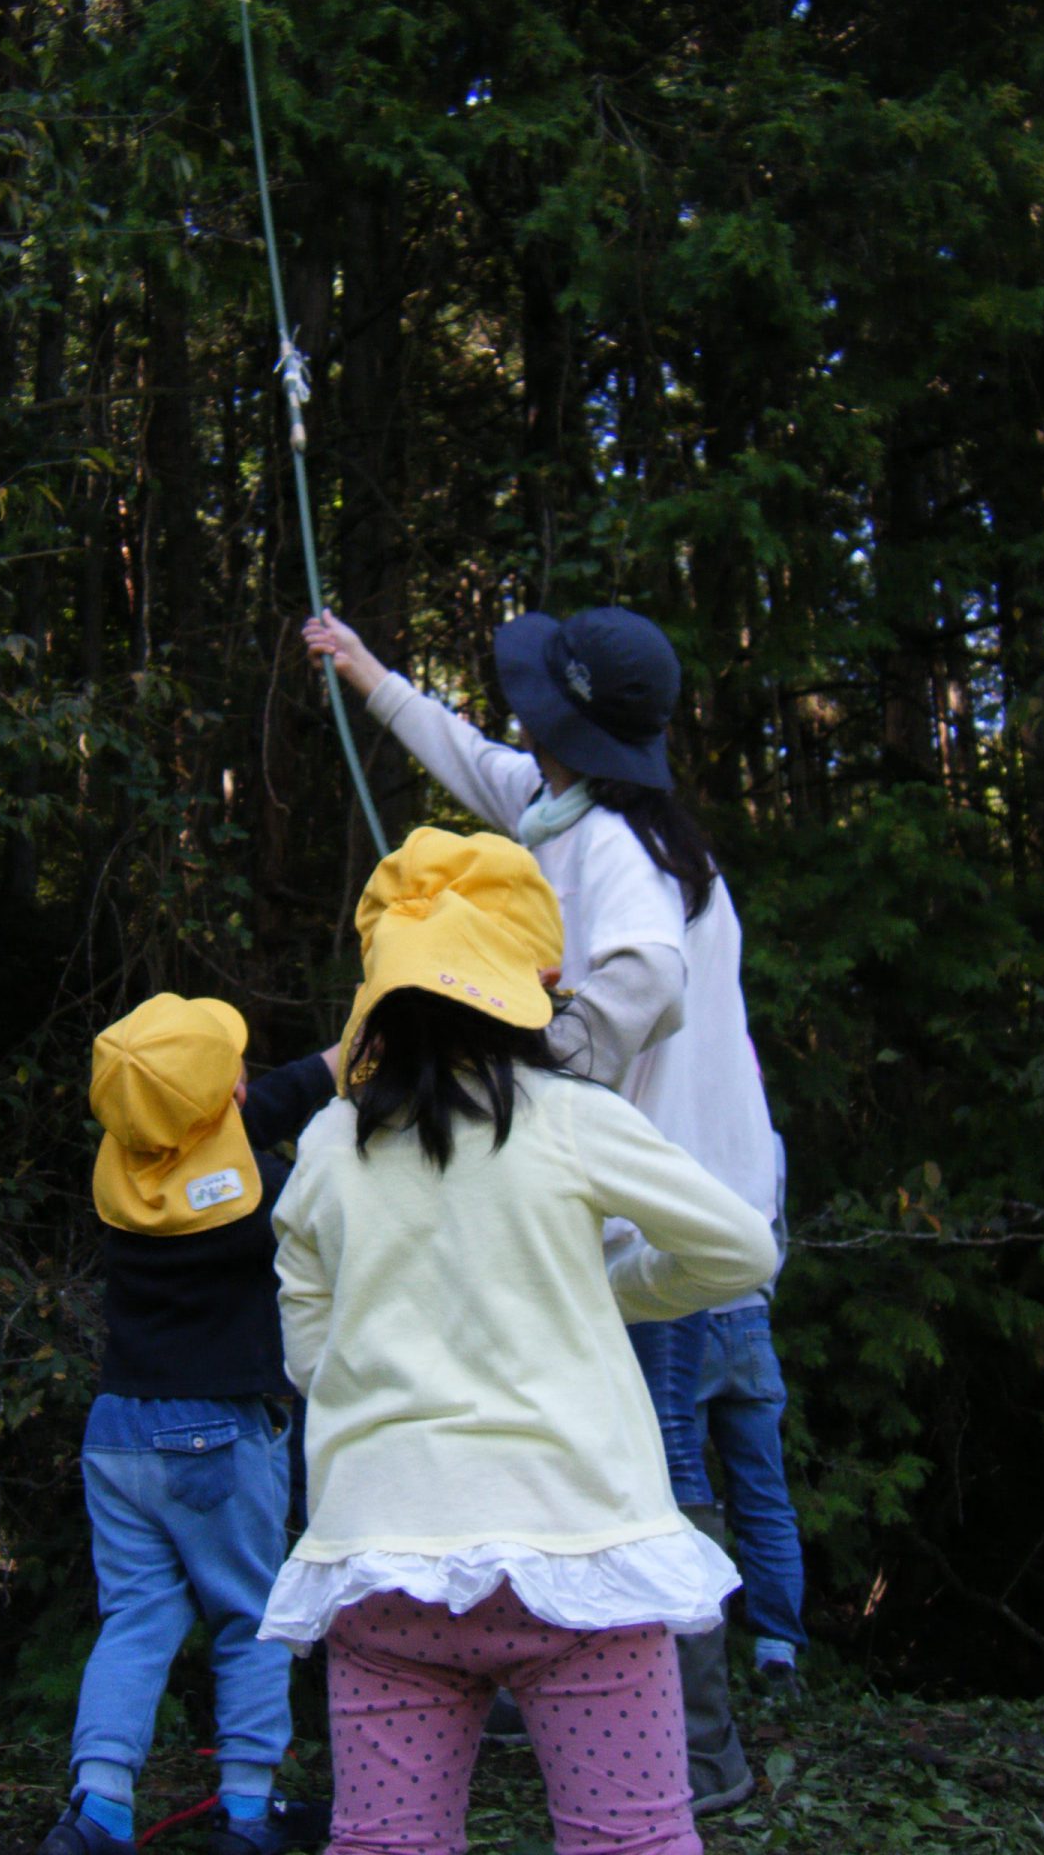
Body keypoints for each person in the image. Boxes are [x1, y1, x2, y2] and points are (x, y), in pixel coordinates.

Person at [301, 603, 778, 1812]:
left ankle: (697, 1750)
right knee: (613, 1446)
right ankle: (560, 1677)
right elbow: (470, 759)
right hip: (642, 1196)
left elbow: (645, 975)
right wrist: (365, 672)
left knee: (655, 1466)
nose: (518, 726)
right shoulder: (562, 807)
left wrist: (533, 1070)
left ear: (568, 728)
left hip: (659, 1207)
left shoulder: (615, 846)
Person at [38, 994, 336, 1855]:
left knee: (135, 1617)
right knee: (251, 1618)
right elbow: (295, 1167)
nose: (247, 1080)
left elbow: (247, 1113)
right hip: (214, 1432)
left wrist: (341, 1055)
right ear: (223, 1097)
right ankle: (248, 1811)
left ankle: (97, 1807)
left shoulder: (128, 1162)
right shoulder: (264, 1196)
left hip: (117, 1429)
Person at [694, 1133, 807, 1697]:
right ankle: (776, 1653)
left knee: (680, 1490)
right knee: (765, 1496)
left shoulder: (671, 1122)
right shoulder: (766, 1139)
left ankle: (694, 1653)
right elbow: (774, 1230)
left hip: (682, 1321)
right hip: (751, 1322)